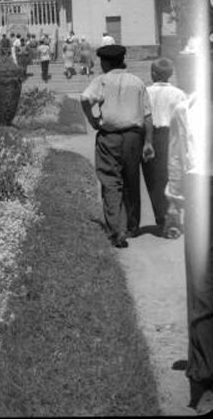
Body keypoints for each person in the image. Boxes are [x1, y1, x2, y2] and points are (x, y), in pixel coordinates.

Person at [165, 49, 213, 408]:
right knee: (202, 287)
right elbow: (178, 159)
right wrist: (175, 200)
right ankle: (203, 375)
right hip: (200, 193)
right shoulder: (187, 108)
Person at [80, 44, 155, 247]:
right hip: (133, 137)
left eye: (101, 62)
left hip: (109, 137)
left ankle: (116, 229)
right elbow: (148, 115)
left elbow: (85, 98)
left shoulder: (102, 81)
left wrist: (92, 119)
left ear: (106, 63)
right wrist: (148, 142)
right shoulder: (137, 82)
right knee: (131, 179)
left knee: (111, 181)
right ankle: (132, 226)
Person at [141, 57, 187, 238]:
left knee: (154, 180)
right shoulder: (179, 94)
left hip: (151, 136)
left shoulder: (145, 92)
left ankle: (163, 219)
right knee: (173, 178)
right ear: (171, 74)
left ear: (152, 74)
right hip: (172, 137)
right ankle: (174, 219)